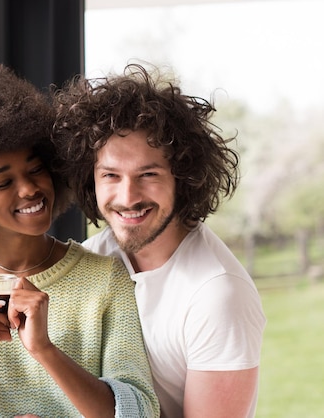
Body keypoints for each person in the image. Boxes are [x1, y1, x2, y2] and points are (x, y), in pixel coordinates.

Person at [0, 63, 159, 418]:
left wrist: (44, 349)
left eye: (36, 169)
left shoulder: (105, 279)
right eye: (3, 183)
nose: (29, 189)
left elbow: (139, 411)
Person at [52, 63, 267, 418]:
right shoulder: (89, 261)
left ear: (182, 177)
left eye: (147, 174)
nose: (128, 196)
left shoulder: (216, 295)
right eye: (110, 175)